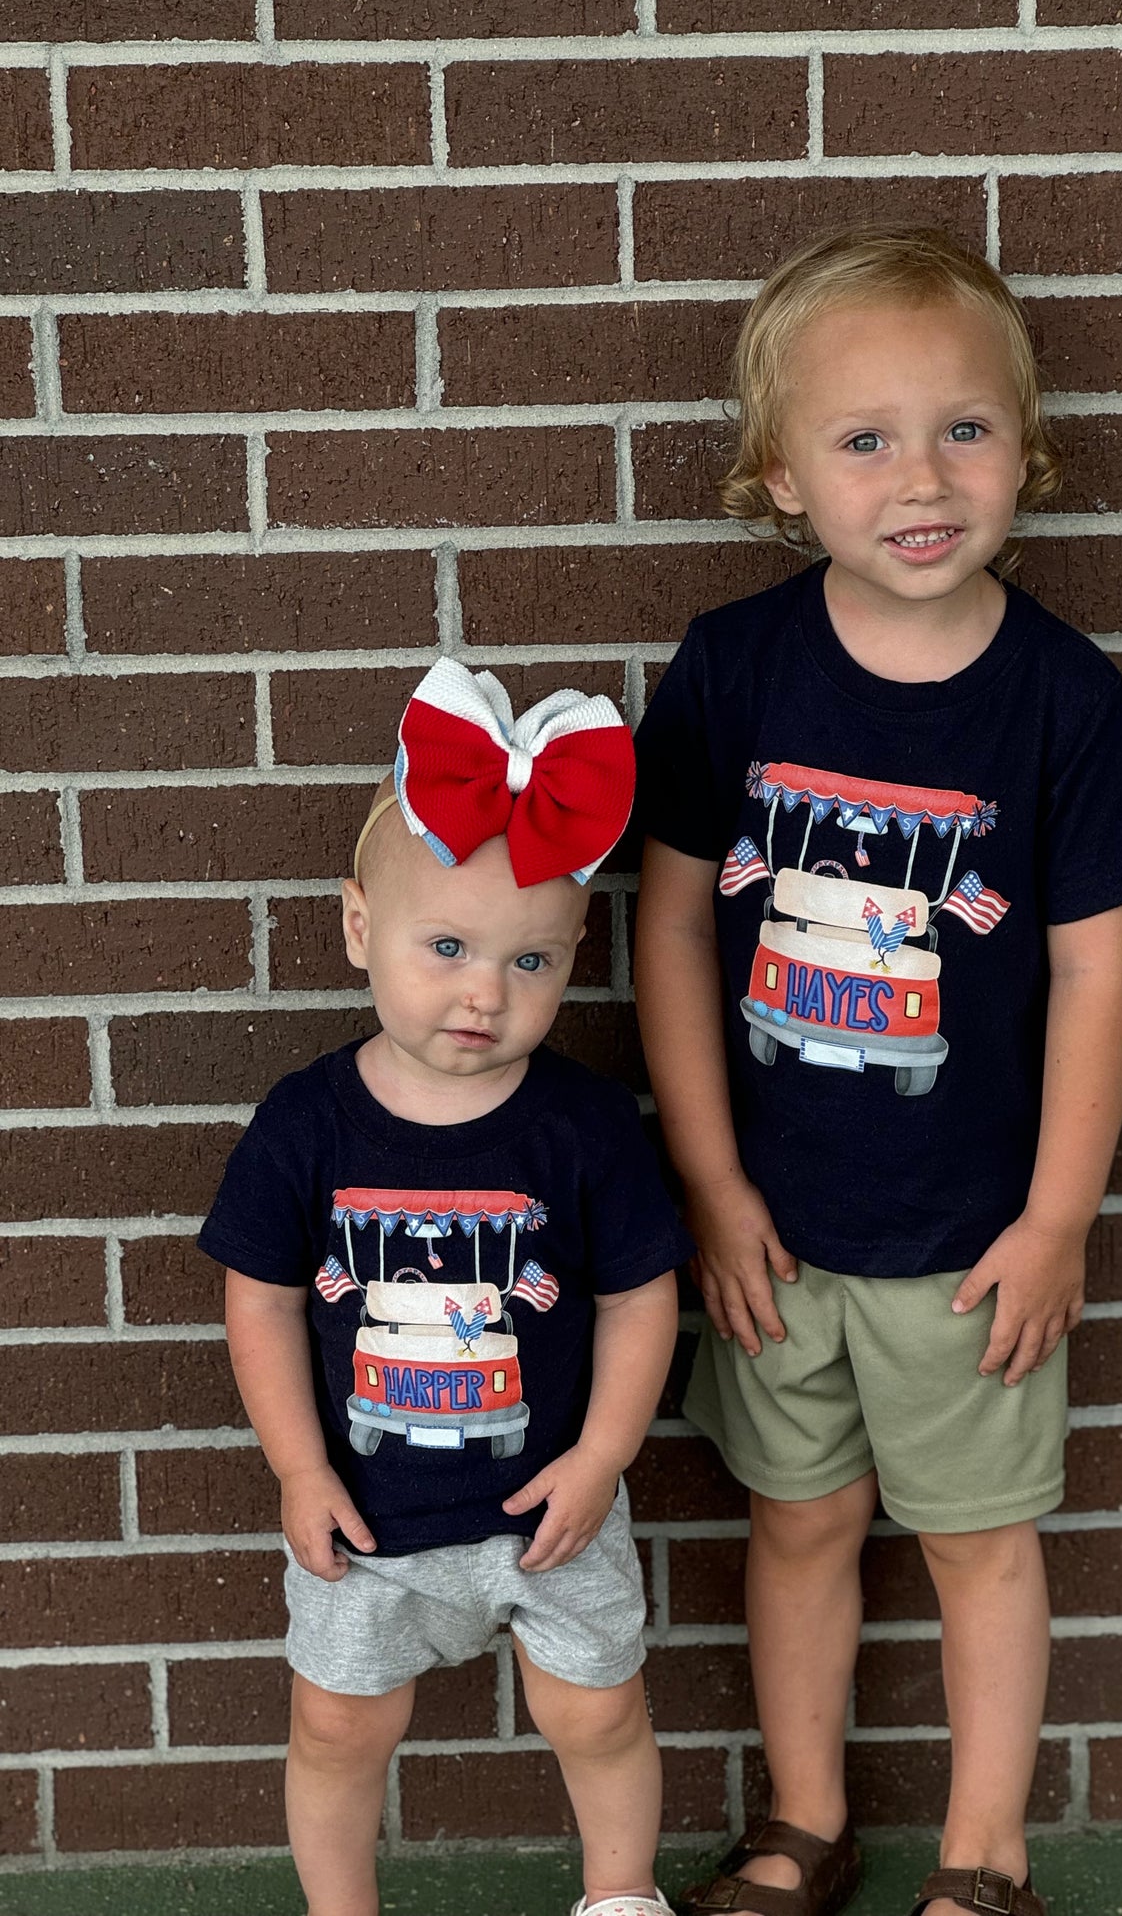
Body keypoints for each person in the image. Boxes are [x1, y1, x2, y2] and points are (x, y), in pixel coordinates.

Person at [632, 224, 1122, 1916]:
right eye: (864, 438)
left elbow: (1099, 966)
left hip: (972, 1244)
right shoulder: (734, 673)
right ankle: (803, 1823)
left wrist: (1059, 1217)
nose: (921, 474)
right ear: (783, 478)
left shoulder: (1062, 701)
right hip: (778, 1236)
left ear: (1026, 449)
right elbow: (666, 934)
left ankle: (983, 1859)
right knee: (798, 1523)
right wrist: (714, 1186)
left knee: (976, 1543)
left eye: (965, 428)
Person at [201, 662, 691, 1916]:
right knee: (335, 1730)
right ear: (360, 926)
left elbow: (641, 1297)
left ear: (576, 954)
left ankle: (620, 1890)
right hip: (364, 1518)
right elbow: (257, 1297)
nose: (486, 992)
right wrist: (298, 1471)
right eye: (448, 947)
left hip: (551, 1510)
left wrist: (603, 1457)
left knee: (596, 1711)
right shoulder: (308, 1123)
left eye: (530, 959)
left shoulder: (583, 1127)